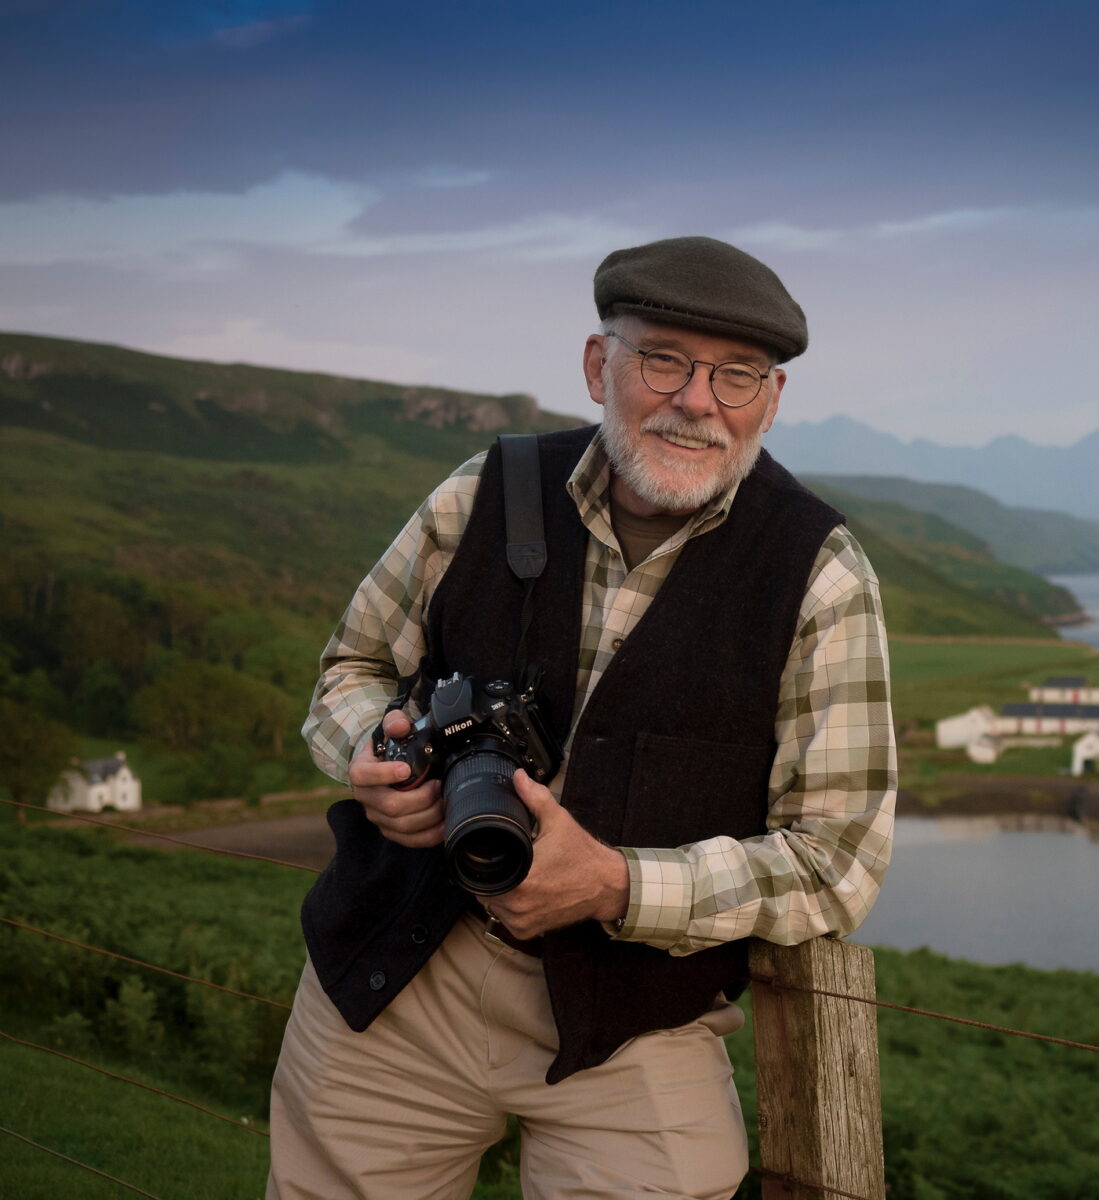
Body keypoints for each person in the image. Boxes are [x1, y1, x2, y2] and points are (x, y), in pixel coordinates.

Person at [267, 236, 896, 1199]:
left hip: (640, 1023)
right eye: (664, 360)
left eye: (736, 376)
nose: (696, 401)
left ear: (773, 400)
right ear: (600, 364)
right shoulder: (485, 491)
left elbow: (836, 860)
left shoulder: (820, 572)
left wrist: (614, 885)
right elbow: (352, 668)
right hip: (395, 983)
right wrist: (378, 760)